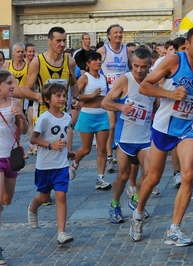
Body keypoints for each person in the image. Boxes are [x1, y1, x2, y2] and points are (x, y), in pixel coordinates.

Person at [131, 26, 193, 246]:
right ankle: (138, 214)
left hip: (188, 126)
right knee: (153, 178)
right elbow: (144, 86)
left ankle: (174, 229)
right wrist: (170, 94)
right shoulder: (173, 61)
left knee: (187, 175)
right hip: (164, 126)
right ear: (187, 44)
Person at [101, 47, 154, 224]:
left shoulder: (154, 80)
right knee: (123, 175)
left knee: (150, 175)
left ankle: (136, 199)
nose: (139, 70)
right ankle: (115, 204)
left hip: (146, 137)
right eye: (136, 66)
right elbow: (105, 101)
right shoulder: (125, 80)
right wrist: (121, 107)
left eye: (143, 67)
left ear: (150, 65)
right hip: (125, 138)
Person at [28, 83, 76, 245]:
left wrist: (67, 152)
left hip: (61, 165)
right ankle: (32, 208)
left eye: (64, 95)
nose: (62, 98)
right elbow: (33, 139)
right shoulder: (44, 118)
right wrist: (50, 145)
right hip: (44, 166)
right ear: (48, 99)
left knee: (61, 195)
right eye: (58, 96)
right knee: (43, 197)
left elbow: (62, 138)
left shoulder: (67, 117)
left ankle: (61, 232)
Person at [68, 51, 111, 189]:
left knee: (102, 148)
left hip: (102, 115)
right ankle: (74, 163)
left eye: (99, 59)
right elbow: (76, 95)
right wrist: (91, 95)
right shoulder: (85, 78)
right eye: (94, 60)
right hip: (87, 115)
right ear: (88, 63)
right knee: (86, 149)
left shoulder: (103, 78)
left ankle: (100, 178)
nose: (98, 62)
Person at [0, 69, 29, 266]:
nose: (13, 86)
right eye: (10, 83)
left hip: (12, 157)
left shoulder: (15, 103)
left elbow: (25, 130)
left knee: (6, 200)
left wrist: (21, 117)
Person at [97, 24, 131, 173]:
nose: (119, 34)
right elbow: (92, 67)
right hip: (108, 95)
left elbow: (132, 68)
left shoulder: (126, 50)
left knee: (123, 124)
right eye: (115, 32)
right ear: (109, 36)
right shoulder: (102, 50)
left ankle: (123, 152)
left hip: (123, 94)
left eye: (121, 32)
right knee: (111, 125)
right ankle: (110, 156)